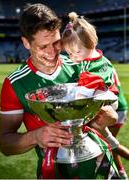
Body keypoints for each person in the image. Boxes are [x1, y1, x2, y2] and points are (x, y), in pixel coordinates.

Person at [0, 3, 120, 179]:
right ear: (26, 42)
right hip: (56, 169)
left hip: (99, 158)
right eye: (43, 46)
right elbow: (5, 144)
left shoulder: (80, 63)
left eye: (57, 42)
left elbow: (106, 101)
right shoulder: (15, 83)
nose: (52, 52)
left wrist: (109, 116)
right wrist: (36, 136)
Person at [62, 11, 128, 179]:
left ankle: (109, 161)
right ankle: (112, 159)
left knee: (93, 128)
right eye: (69, 53)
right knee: (97, 131)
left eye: (76, 52)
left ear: (91, 44)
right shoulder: (83, 57)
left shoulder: (99, 65)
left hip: (107, 103)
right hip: (99, 103)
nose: (73, 57)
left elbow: (87, 92)